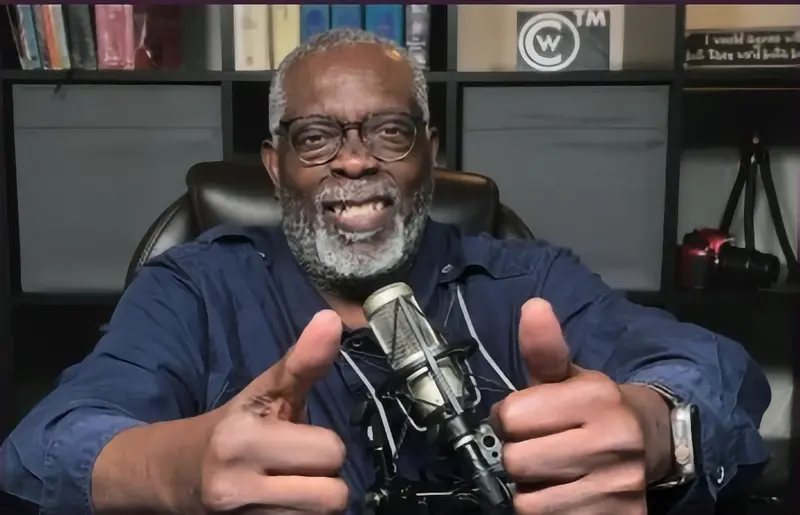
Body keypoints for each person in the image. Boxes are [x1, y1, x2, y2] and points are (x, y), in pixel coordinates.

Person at [1, 29, 771, 515]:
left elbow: (715, 370)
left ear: (429, 152)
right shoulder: (196, 287)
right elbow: (50, 442)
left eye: (390, 131)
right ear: (275, 167)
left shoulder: (524, 279)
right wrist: (181, 469)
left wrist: (652, 428)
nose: (356, 158)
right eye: (315, 137)